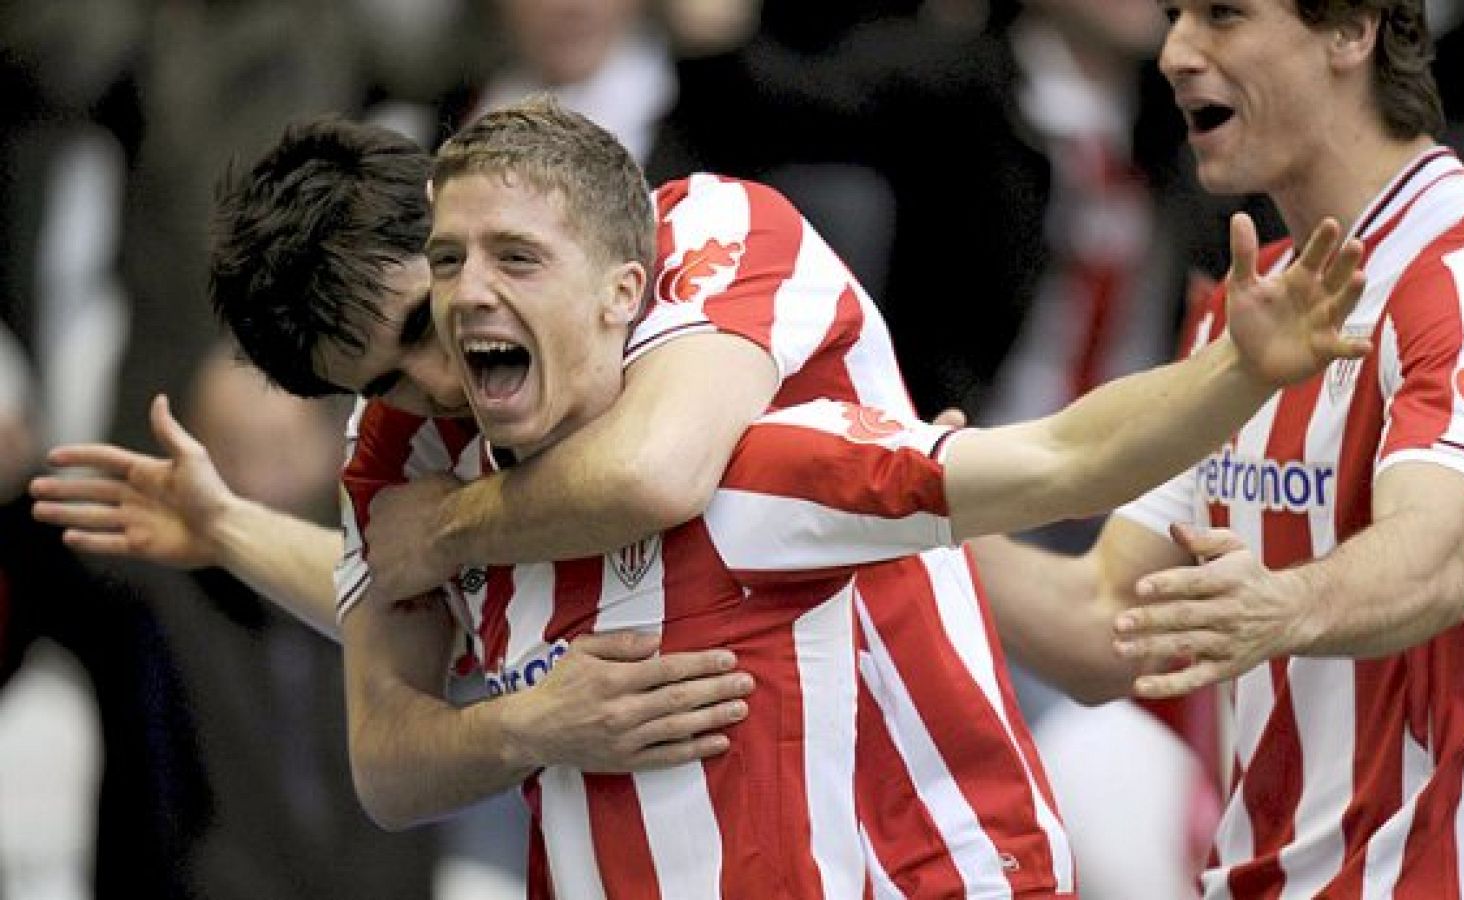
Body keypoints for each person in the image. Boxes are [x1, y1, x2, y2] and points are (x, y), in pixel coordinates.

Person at [36, 96, 1362, 894]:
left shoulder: (728, 361)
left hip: (929, 867)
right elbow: (386, 711)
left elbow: (1048, 458)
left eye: (433, 316)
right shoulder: (410, 451)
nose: (439, 383)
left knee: (1095, 648)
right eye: (381, 379)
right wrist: (531, 719)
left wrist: (1237, 378)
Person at [992, 1, 1464, 896]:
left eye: (1223, 14)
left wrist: (1276, 606)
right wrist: (910, 521)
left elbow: (1434, 561)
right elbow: (1108, 623)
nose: (1175, 52)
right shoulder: (1253, 307)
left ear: (1353, 31)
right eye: (1175, 15)